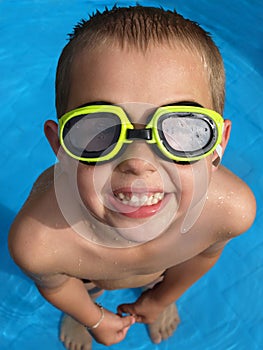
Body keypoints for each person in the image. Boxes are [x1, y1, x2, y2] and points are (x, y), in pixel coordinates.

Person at [8, 5, 256, 349]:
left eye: (182, 128)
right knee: (83, 284)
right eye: (99, 127)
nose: (138, 162)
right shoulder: (42, 241)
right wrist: (93, 317)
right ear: (60, 146)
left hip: (163, 269)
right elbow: (55, 284)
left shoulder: (229, 211)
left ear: (217, 145)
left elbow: (202, 257)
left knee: (170, 267)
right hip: (87, 271)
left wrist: (160, 298)